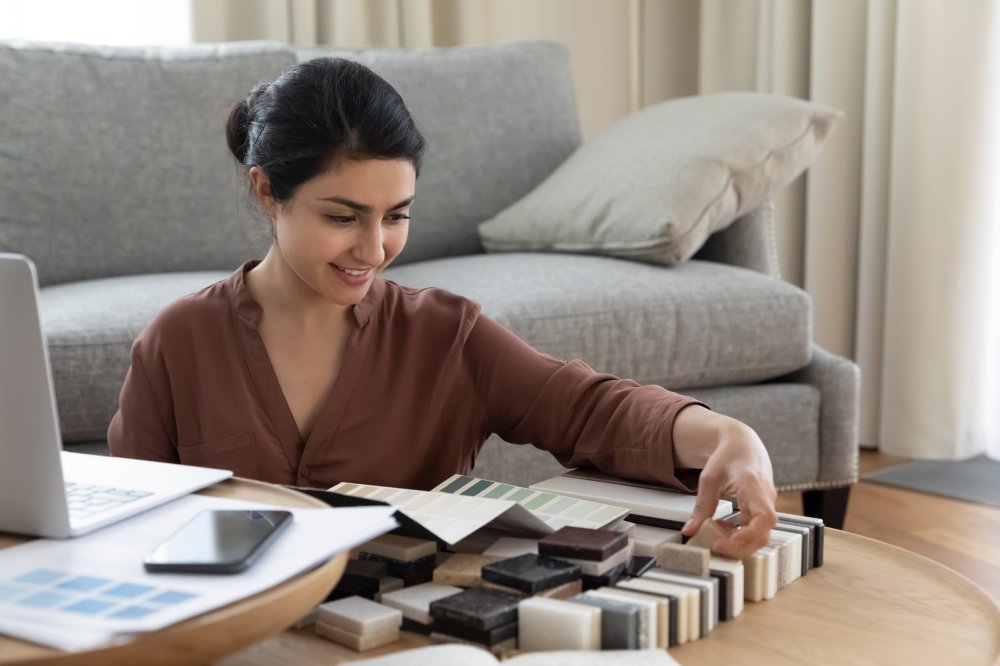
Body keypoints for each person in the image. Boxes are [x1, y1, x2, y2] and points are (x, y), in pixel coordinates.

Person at [108, 57, 777, 559]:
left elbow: (589, 409)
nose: (373, 249)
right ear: (266, 192)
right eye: (342, 216)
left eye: (396, 216)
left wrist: (728, 438)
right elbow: (125, 528)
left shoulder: (446, 336)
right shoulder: (180, 341)